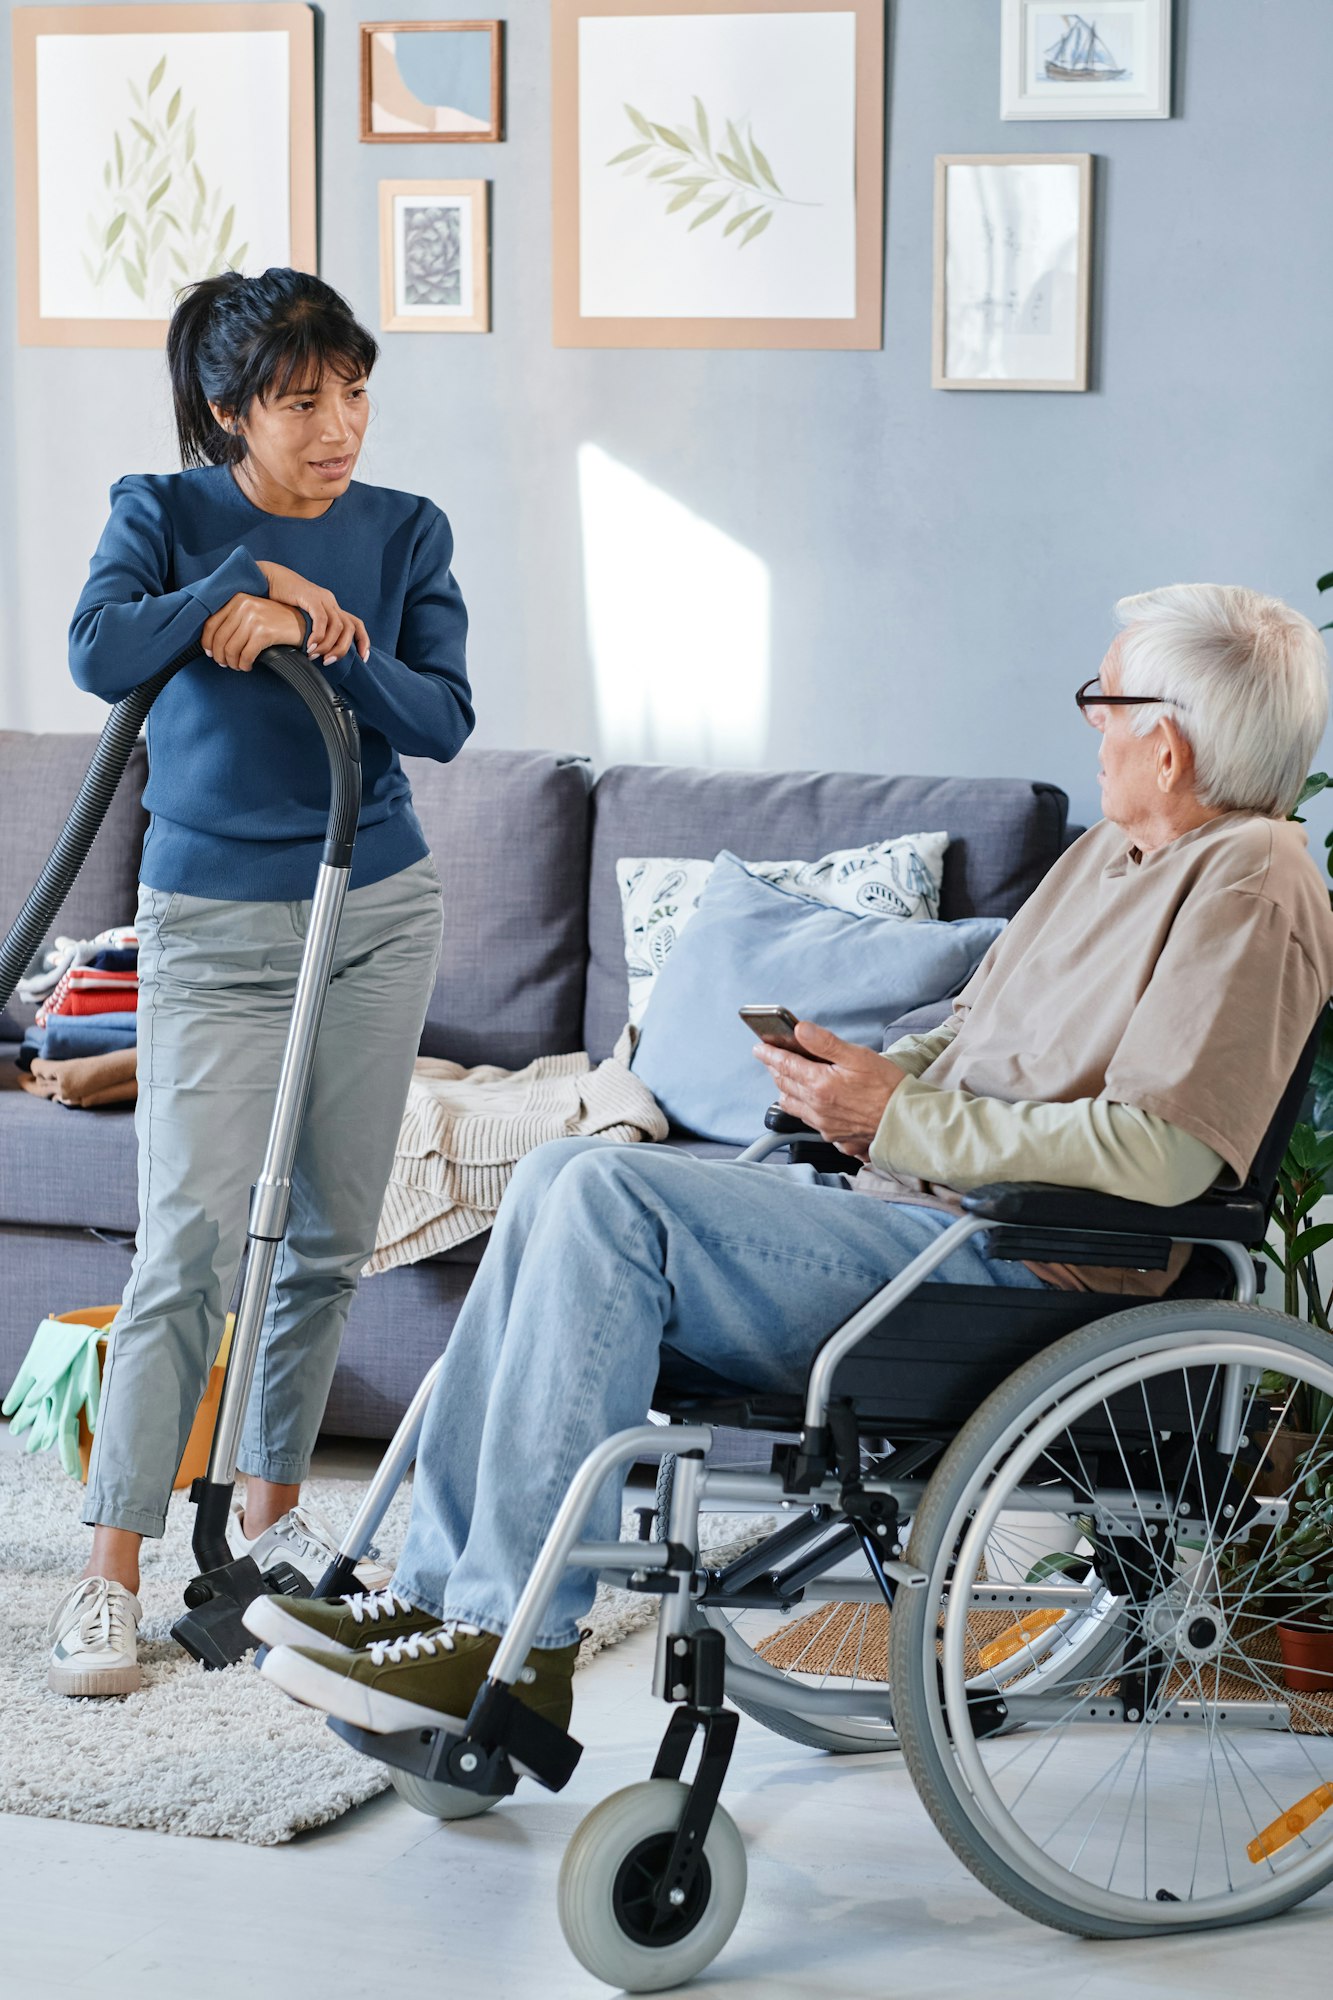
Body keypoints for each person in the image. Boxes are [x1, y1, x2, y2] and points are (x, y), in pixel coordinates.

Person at [252, 583, 1333, 1746]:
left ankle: (511, 1642)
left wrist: (904, 1120)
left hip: (1015, 1268)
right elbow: (972, 1028)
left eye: (1104, 700)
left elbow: (1164, 1152)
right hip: (913, 1220)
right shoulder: (1109, 854)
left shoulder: (1253, 882)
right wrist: (856, 1077)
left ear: (1164, 746)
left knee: (612, 1197)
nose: (1092, 723)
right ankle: (432, 1603)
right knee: (563, 1163)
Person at [45, 267, 473, 1698]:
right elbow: (100, 650)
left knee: (328, 1236)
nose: (338, 426)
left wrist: (320, 640)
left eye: (353, 393)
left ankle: (275, 1541)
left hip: (376, 908)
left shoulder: (407, 530)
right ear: (230, 412)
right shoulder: (162, 516)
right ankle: (110, 1577)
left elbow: (446, 717)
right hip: (216, 930)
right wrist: (244, 587)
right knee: (189, 1246)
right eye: (302, 402)